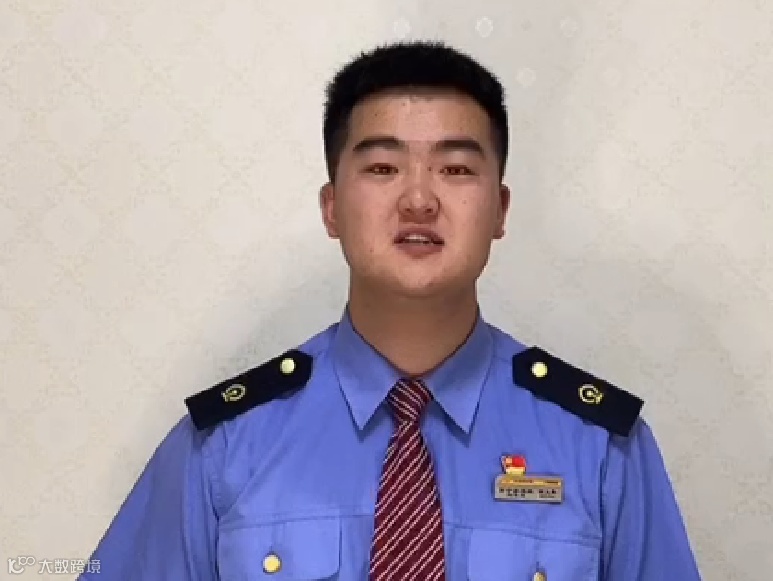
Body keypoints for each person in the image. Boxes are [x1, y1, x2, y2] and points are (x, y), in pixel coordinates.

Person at [80, 41, 702, 580]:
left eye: (455, 168)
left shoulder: (600, 447)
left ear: (500, 209)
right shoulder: (222, 447)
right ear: (331, 207)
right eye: (382, 167)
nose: (419, 199)